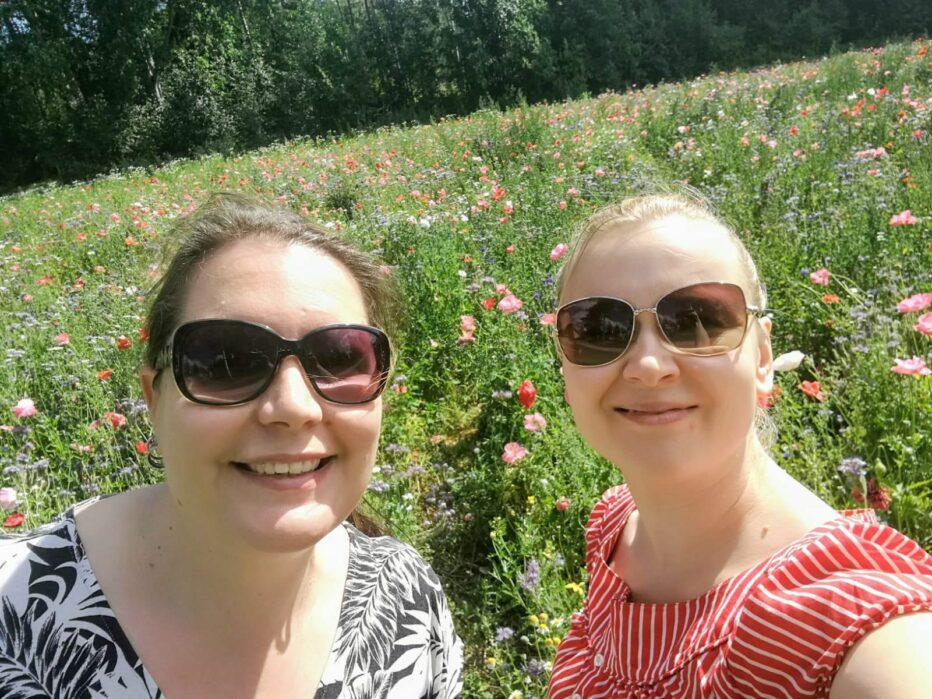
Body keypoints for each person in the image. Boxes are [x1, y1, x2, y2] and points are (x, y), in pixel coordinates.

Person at [0, 194, 463, 698]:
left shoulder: (407, 602)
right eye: (226, 362)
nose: (294, 407)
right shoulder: (13, 611)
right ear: (155, 401)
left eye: (339, 358)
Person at [546, 194, 932, 698]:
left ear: (763, 357)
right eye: (598, 328)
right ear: (565, 366)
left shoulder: (852, 626)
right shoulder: (616, 529)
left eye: (698, 320)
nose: (648, 366)